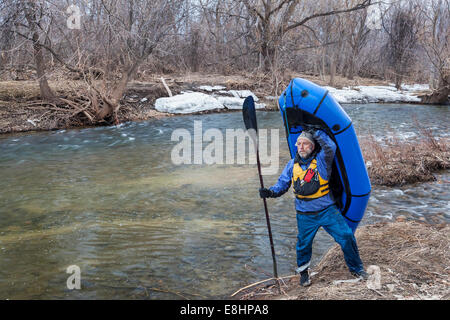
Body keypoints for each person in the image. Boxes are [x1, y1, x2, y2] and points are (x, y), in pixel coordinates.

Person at [259, 129, 368, 287]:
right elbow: (281, 185)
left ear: (312, 146)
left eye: (305, 144)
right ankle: (304, 274)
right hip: (304, 215)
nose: (301, 147)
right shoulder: (291, 165)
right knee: (303, 245)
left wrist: (315, 132)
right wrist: (269, 192)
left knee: (346, 236)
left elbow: (330, 147)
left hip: (327, 211)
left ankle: (357, 269)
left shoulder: (322, 160)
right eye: (299, 144)